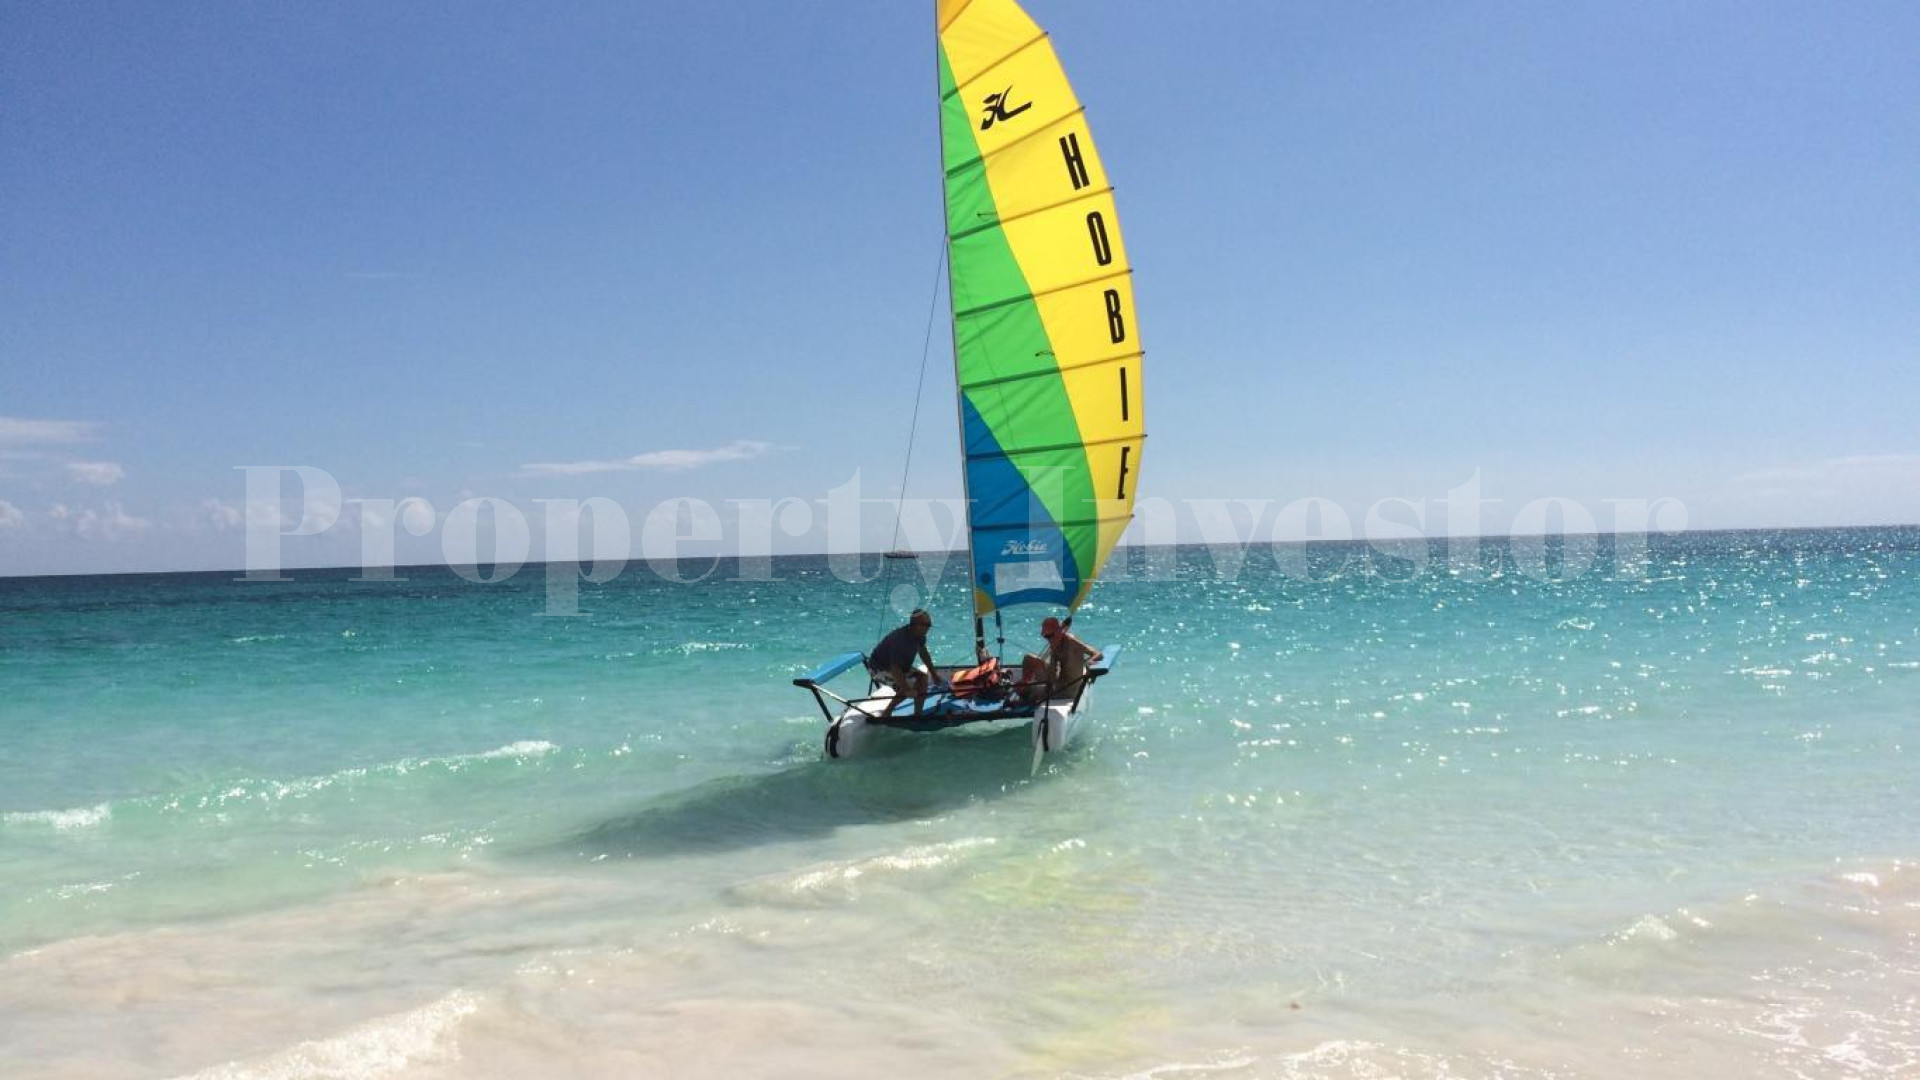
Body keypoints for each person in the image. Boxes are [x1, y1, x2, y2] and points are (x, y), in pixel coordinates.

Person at [868, 609, 937, 717]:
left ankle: (917, 715)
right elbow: (894, 668)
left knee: (923, 678)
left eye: (929, 625)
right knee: (908, 684)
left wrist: (934, 674)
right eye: (925, 625)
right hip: (878, 668)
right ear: (914, 625)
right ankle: (886, 713)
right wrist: (907, 689)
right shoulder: (900, 639)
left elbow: (924, 654)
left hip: (900, 666)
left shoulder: (920, 636)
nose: (928, 628)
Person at [1018, 616, 1102, 704]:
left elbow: (1098, 654)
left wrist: (1088, 662)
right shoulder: (1055, 645)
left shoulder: (1071, 641)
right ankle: (1026, 685)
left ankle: (1026, 698)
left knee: (1027, 690)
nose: (1049, 639)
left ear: (1058, 631)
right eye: (1046, 637)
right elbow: (1052, 675)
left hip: (1068, 689)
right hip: (1059, 682)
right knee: (1028, 658)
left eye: (1050, 636)